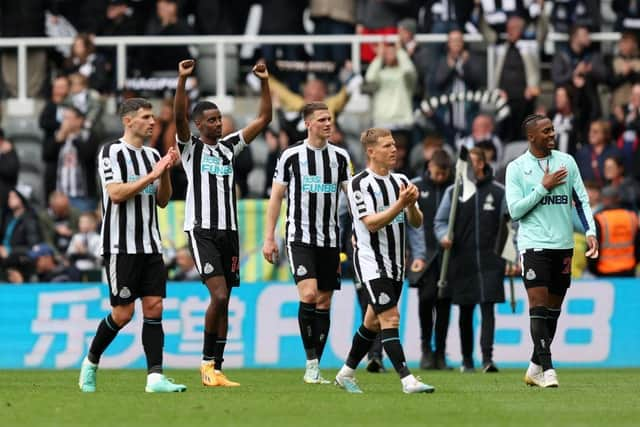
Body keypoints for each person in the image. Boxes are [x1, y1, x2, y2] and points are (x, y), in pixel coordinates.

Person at [78, 97, 186, 393]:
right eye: (146, 117)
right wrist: (152, 174)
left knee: (154, 307)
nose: (153, 122)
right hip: (120, 246)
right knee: (123, 313)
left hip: (150, 244)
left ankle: (155, 377)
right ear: (128, 121)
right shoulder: (110, 152)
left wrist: (164, 172)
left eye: (152, 117)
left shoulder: (152, 155)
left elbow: (163, 200)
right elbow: (115, 193)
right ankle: (91, 361)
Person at [174, 59, 272, 387]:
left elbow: (264, 119)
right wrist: (182, 81)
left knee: (226, 299)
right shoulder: (190, 150)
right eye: (211, 120)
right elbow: (177, 118)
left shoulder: (230, 148)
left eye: (219, 119)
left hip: (230, 232)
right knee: (217, 296)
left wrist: (264, 83)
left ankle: (216, 368)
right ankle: (205, 364)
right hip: (201, 231)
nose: (218, 124)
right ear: (199, 125)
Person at [334, 127, 434, 394]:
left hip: (395, 264)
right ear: (371, 151)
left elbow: (417, 222)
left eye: (394, 145)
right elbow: (371, 224)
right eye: (387, 146)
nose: (394, 150)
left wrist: (411, 205)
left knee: (373, 322)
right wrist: (401, 204)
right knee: (390, 318)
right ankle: (407, 379)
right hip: (370, 263)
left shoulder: (400, 180)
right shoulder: (357, 184)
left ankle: (346, 373)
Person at [505, 114, 599, 388]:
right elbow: (515, 210)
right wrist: (542, 187)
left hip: (563, 245)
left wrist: (590, 231)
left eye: (552, 130)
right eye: (545, 131)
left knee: (553, 310)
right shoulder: (516, 168)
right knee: (537, 305)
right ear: (531, 136)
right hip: (533, 245)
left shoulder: (566, 162)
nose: (552, 134)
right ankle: (548, 369)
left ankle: (535, 366)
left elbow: (581, 199)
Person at [262, 102, 352, 385]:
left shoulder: (340, 157)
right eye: (322, 119)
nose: (328, 123)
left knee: (324, 301)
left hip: (330, 239)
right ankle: (311, 364)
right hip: (299, 237)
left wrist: (360, 229)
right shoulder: (291, 156)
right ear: (309, 124)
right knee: (310, 294)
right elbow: (276, 196)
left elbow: (351, 196)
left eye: (330, 119)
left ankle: (315, 365)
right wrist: (268, 237)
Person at [434, 147, 507, 373]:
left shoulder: (498, 191)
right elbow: (440, 221)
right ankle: (467, 360)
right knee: (465, 310)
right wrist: (443, 236)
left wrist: (511, 257)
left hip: (490, 260)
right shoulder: (454, 192)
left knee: (488, 308)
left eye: (472, 163)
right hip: (462, 259)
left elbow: (509, 225)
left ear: (482, 164)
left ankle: (487, 358)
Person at [407, 149, 454, 370]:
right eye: (437, 173)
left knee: (444, 303)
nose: (440, 177)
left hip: (448, 256)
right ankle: (426, 349)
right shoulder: (415, 185)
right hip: (423, 255)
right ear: (429, 168)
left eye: (444, 174)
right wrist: (414, 252)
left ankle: (441, 353)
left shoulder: (456, 189)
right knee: (426, 300)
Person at [588, 186, 639, 277]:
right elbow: (638, 245)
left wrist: (592, 269)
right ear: (618, 198)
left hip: (604, 271)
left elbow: (593, 247)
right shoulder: (632, 217)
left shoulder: (599, 219)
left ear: (603, 199)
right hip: (629, 270)